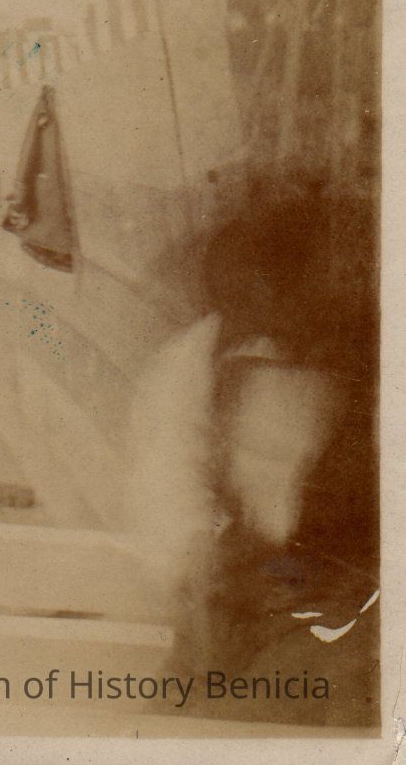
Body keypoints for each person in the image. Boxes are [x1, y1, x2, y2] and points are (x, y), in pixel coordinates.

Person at [125, 181, 379, 727]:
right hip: (243, 583)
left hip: (316, 595)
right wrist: (199, 563)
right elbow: (174, 482)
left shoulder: (338, 369)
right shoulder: (210, 364)